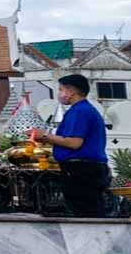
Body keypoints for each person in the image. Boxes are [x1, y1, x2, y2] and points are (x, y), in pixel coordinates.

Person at [36, 74, 110, 217]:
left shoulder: (79, 111)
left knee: (85, 211)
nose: (59, 94)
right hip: (90, 168)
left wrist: (44, 136)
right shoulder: (86, 110)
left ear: (70, 92)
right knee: (91, 209)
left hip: (81, 169)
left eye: (61, 89)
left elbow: (74, 142)